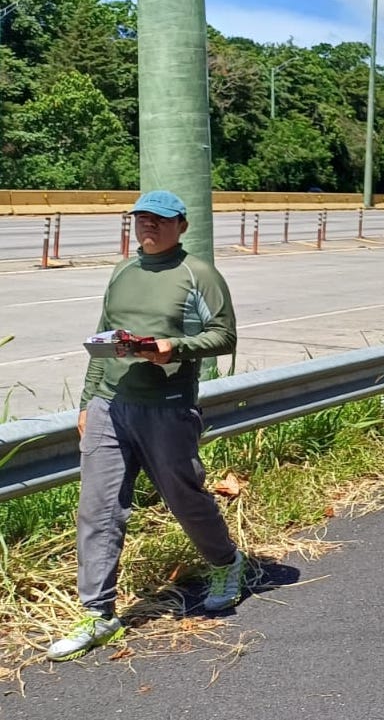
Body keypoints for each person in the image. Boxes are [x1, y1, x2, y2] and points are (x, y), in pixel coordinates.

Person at [49, 190, 244, 662]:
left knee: (184, 496)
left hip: (168, 407)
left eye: (158, 221)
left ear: (181, 225)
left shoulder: (198, 274)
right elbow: (102, 336)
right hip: (109, 406)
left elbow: (224, 335)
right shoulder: (123, 270)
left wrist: (171, 348)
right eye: (141, 220)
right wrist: (86, 400)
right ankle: (98, 614)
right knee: (98, 508)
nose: (148, 228)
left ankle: (225, 563)